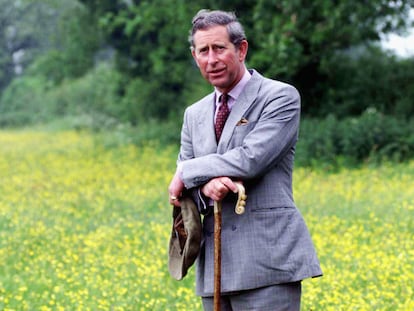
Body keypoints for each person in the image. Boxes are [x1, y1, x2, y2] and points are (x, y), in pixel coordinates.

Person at [168, 9, 322, 311]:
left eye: (219, 48)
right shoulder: (194, 114)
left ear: (241, 49)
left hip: (269, 265)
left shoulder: (280, 97)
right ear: (194, 56)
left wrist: (186, 170)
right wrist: (203, 189)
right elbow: (184, 194)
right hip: (214, 270)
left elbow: (251, 158)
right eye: (203, 51)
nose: (212, 59)